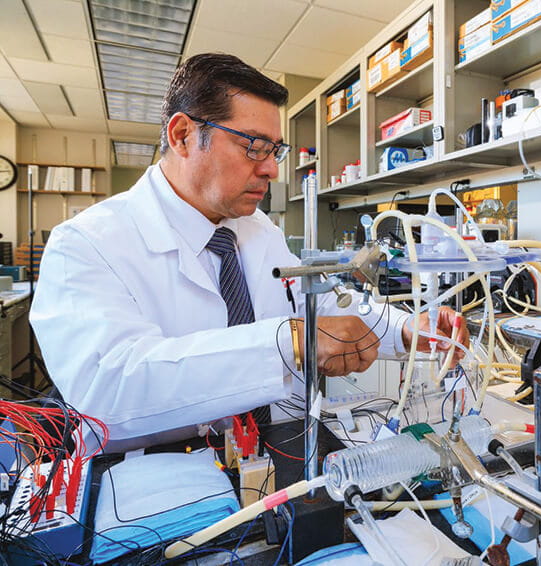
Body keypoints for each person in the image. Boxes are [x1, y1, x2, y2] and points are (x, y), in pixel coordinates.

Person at [30, 53, 468, 451]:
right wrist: (289, 343)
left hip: (280, 450)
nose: (272, 169)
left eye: (275, 150)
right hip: (160, 485)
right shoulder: (86, 245)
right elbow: (108, 389)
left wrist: (409, 328)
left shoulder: (259, 230)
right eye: (253, 147)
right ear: (183, 135)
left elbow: (322, 305)